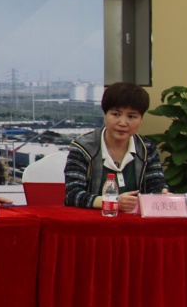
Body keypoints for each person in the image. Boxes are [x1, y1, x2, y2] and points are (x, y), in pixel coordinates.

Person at [64, 82, 167, 211]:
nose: (123, 123)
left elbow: (156, 185)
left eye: (131, 116)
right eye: (116, 114)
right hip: (92, 220)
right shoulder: (82, 147)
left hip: (135, 220)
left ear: (141, 119)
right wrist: (112, 202)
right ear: (104, 115)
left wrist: (163, 193)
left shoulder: (146, 148)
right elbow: (73, 195)